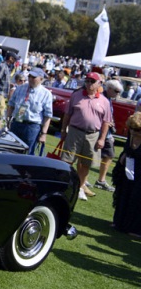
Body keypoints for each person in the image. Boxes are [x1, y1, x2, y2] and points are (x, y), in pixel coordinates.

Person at [59, 72, 112, 201]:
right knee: (67, 160)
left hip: (93, 135)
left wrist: (102, 139)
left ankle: (81, 187)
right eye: (87, 81)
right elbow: (67, 114)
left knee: (86, 163)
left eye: (92, 81)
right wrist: (63, 130)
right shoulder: (76, 95)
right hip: (74, 131)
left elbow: (106, 122)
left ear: (99, 84)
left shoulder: (104, 101)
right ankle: (64, 184)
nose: (88, 84)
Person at [6, 67, 53, 155]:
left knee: (27, 154)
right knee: (10, 151)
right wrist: (8, 119)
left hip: (32, 127)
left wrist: (43, 134)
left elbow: (48, 115)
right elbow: (11, 104)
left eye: (34, 77)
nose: (30, 79)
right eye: (29, 76)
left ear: (41, 79)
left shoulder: (46, 94)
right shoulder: (20, 88)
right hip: (16, 123)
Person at [112, 112, 141, 237]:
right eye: (132, 129)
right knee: (123, 193)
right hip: (128, 168)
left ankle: (135, 229)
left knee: (137, 198)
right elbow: (126, 149)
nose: (133, 132)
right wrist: (124, 155)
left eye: (137, 130)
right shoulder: (130, 135)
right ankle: (119, 222)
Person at [91, 79, 123, 192]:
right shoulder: (100, 98)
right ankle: (84, 179)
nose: (117, 94)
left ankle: (101, 180)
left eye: (119, 92)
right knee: (88, 154)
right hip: (97, 131)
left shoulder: (108, 99)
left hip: (107, 133)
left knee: (109, 155)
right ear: (109, 88)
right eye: (116, 91)